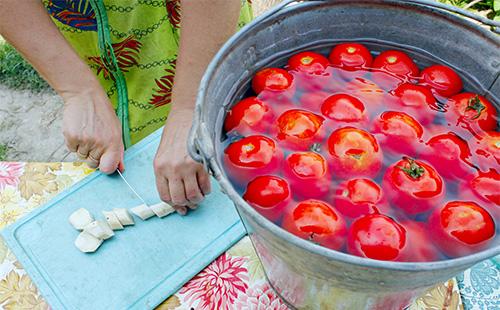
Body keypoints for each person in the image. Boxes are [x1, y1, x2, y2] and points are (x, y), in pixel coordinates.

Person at [0, 0, 252, 214]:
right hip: (89, 48)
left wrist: (190, 107)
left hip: (200, 35)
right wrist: (78, 89)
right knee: (147, 163)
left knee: (237, 152)